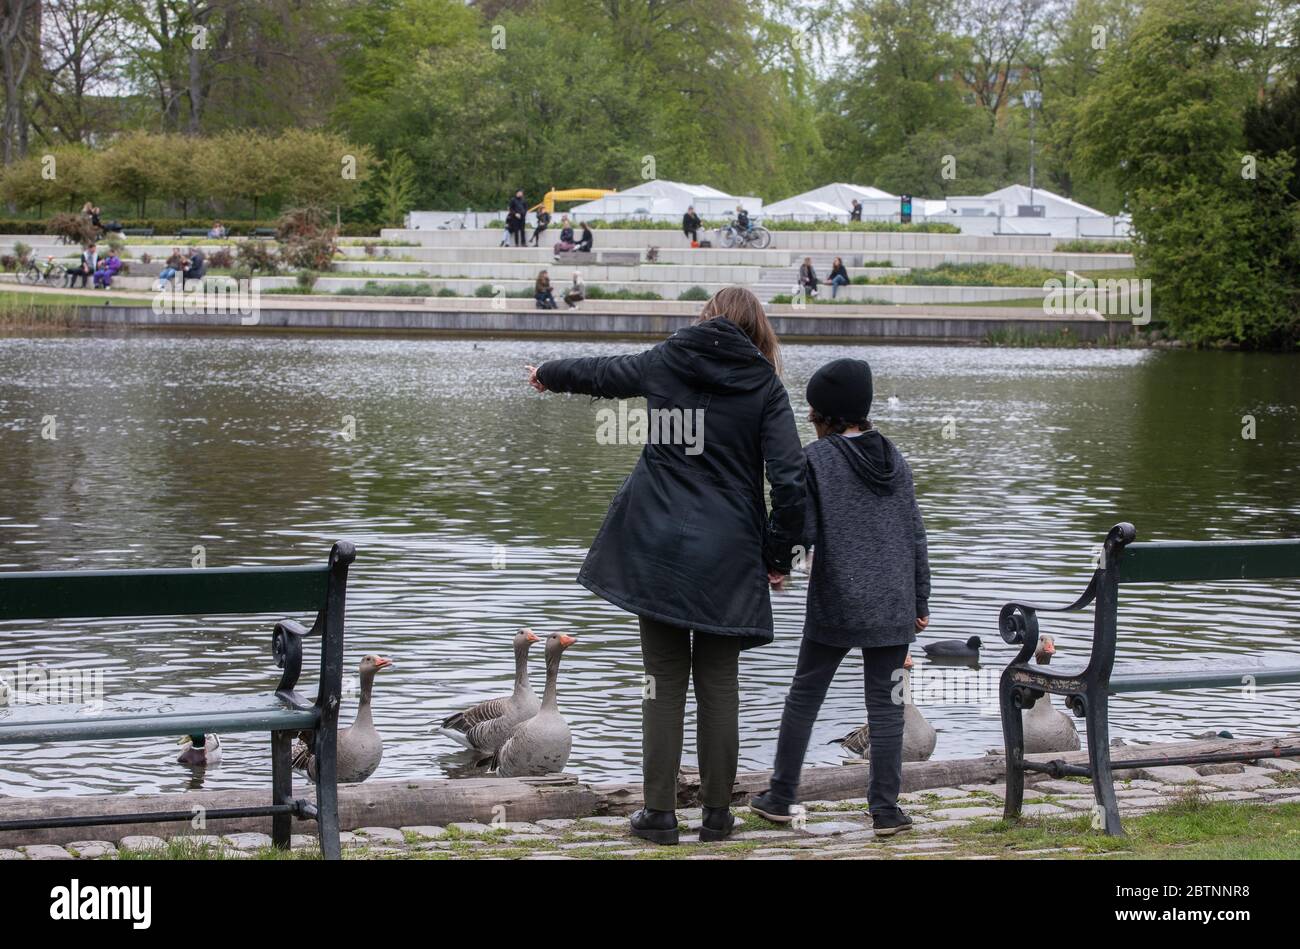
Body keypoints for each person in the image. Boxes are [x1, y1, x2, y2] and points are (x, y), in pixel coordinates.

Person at [525, 287, 805, 846]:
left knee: (662, 681)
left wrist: (549, 373)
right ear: (758, 330)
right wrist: (779, 555)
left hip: (657, 548)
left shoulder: (669, 360)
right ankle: (719, 817)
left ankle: (659, 816)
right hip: (729, 554)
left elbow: (602, 372)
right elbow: (791, 481)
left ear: (706, 318)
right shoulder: (765, 385)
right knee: (720, 686)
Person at [749, 357, 931, 837]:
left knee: (805, 695)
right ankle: (887, 810)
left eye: (812, 409)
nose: (808, 417)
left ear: (823, 414)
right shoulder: (895, 457)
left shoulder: (817, 461)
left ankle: (782, 794)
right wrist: (921, 601)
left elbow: (802, 532)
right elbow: (916, 533)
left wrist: (780, 564)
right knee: (888, 705)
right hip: (895, 601)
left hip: (839, 599)